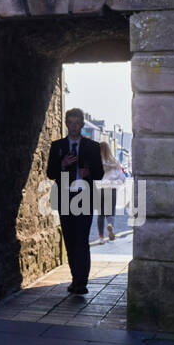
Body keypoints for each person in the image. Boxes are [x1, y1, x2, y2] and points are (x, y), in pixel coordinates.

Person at [46, 108, 104, 295]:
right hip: (65, 197)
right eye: (70, 123)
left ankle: (82, 282)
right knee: (70, 240)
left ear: (82, 125)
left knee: (82, 240)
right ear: (66, 123)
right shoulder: (57, 146)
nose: (73, 127)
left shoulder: (93, 146)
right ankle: (75, 278)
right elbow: (50, 173)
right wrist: (62, 164)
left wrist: (90, 173)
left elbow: (100, 174)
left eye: (77, 123)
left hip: (84, 197)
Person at [96, 141, 124, 242]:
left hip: (100, 189)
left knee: (101, 214)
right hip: (111, 188)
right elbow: (121, 177)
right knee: (111, 211)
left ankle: (101, 237)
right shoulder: (115, 161)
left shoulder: (97, 161)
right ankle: (110, 225)